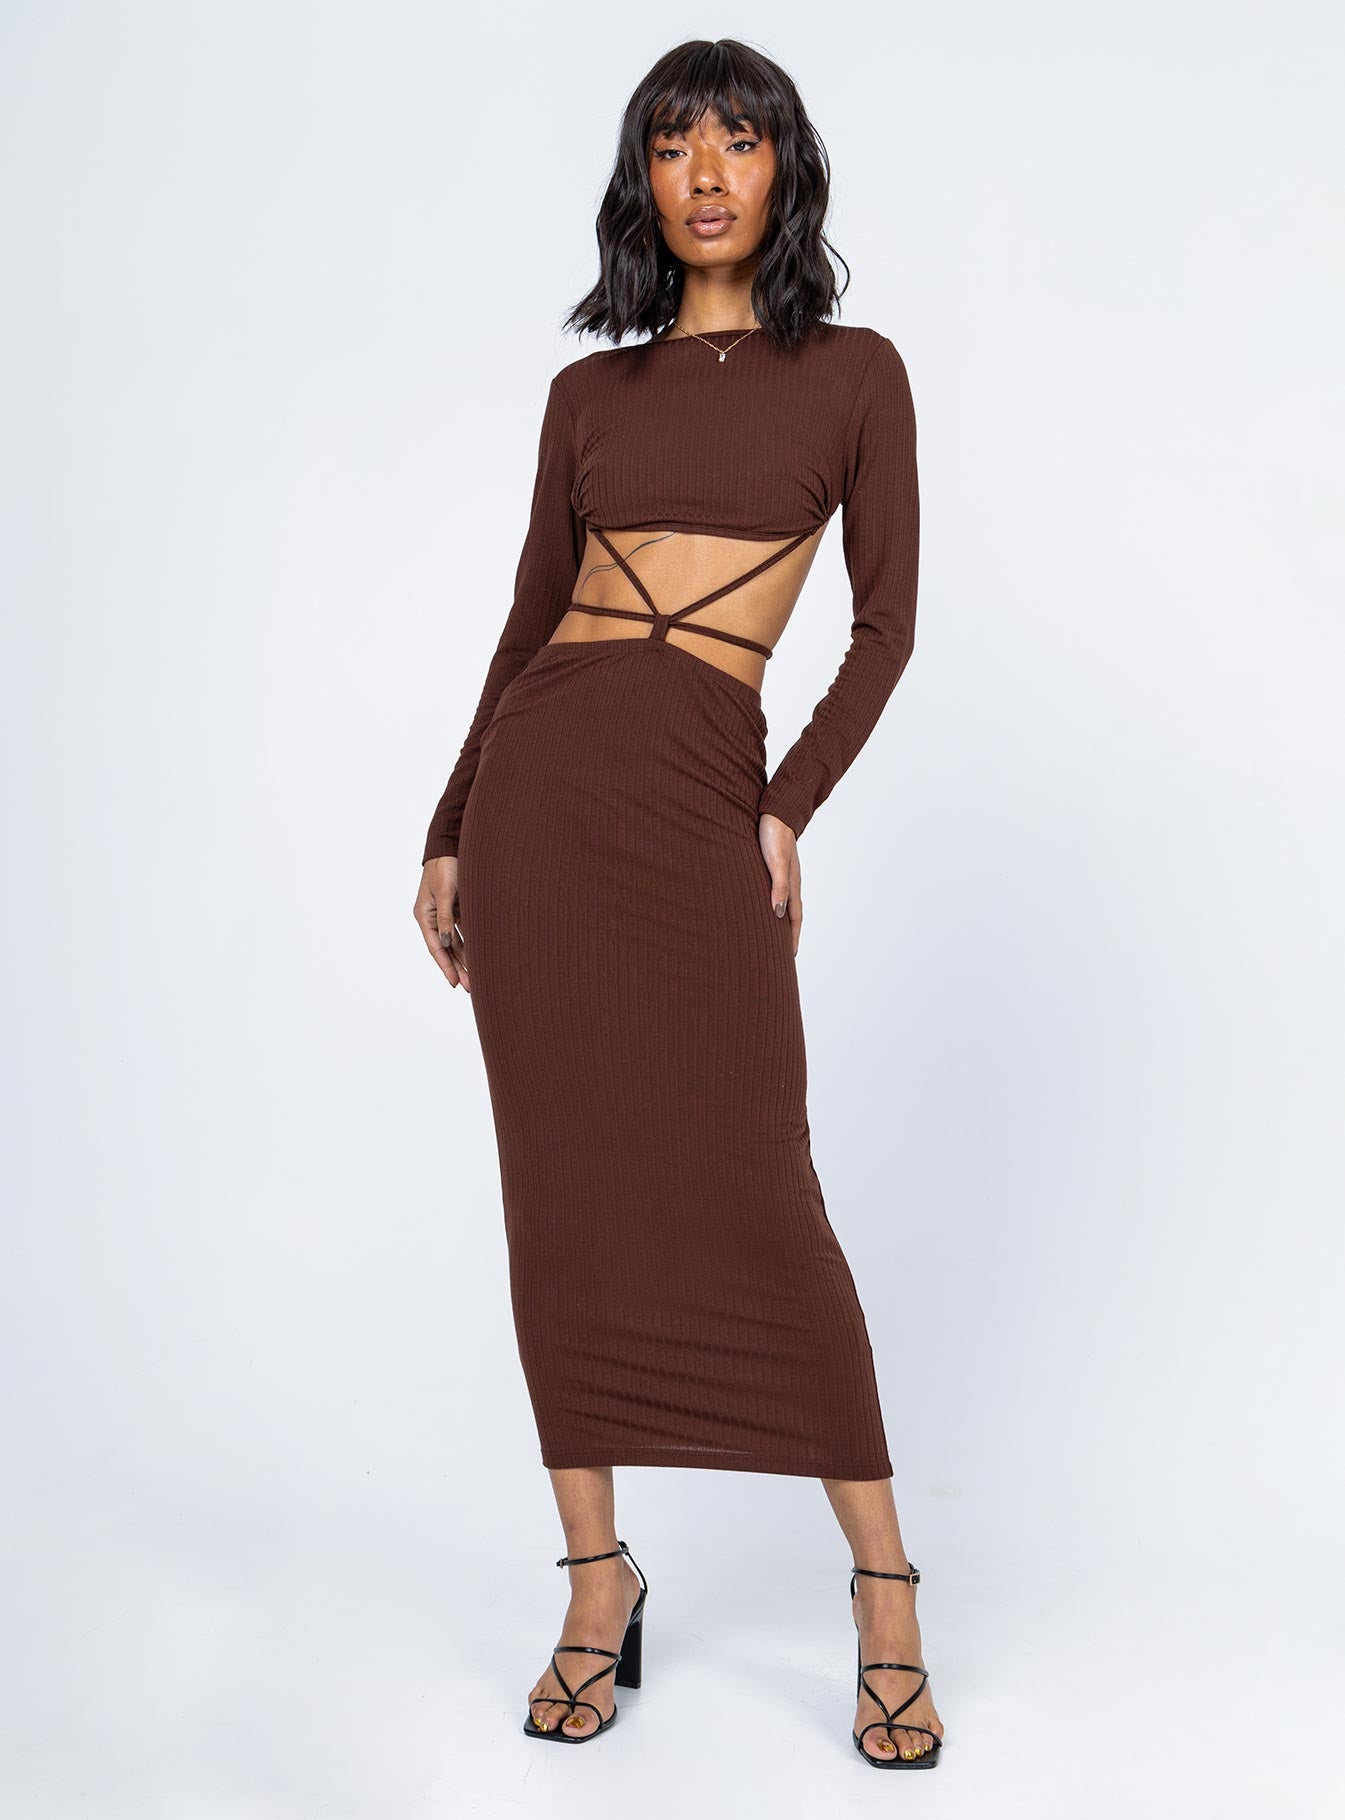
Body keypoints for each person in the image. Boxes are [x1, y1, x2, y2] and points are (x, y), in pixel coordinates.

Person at [412, 38, 943, 1768]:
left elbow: (884, 633)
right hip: (540, 809)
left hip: (701, 807)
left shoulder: (854, 373)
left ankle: (885, 1593)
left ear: (786, 168)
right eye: (670, 144)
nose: (706, 172)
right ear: (640, 181)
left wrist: (786, 808)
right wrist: (449, 828)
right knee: (557, 1195)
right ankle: (594, 1579)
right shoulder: (589, 398)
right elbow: (525, 629)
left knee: (758, 1186)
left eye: (737, 139)